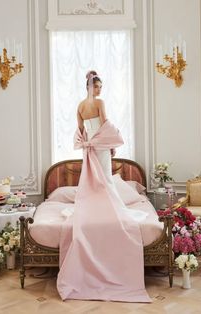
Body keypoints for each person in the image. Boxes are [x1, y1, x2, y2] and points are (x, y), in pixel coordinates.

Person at [56, 71, 151, 303]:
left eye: (100, 87)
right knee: (105, 179)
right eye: (97, 86)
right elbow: (105, 123)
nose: (100, 90)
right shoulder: (99, 103)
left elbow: (80, 130)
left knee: (92, 179)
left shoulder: (80, 105)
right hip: (98, 146)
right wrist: (110, 144)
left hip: (89, 146)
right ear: (90, 86)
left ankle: (97, 205)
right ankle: (106, 206)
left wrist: (90, 142)